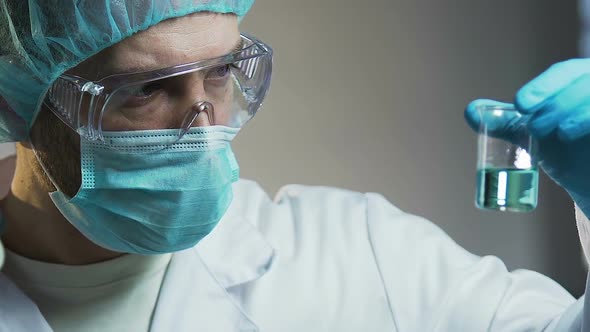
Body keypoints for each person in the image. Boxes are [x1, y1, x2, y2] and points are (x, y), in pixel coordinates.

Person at [0, 0, 589, 331]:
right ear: (19, 101)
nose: (202, 132)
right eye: (145, 90)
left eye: (221, 74)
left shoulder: (361, 253)